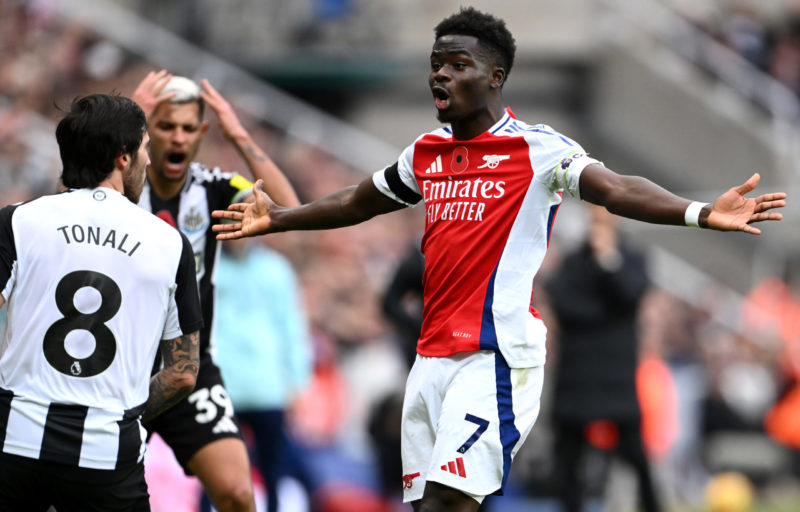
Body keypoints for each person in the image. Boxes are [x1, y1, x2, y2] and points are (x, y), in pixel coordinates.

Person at [212, 7, 787, 512]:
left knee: (448, 500)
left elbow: (615, 187)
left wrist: (698, 212)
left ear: (495, 76)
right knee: (431, 504)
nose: (441, 73)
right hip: (430, 361)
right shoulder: (425, 153)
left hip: (494, 358)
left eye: (457, 64)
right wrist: (281, 218)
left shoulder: (540, 150)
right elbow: (357, 201)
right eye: (436, 63)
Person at [0, 93, 202, 511]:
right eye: (145, 148)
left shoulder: (17, 220)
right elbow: (183, 374)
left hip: (13, 442)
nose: (148, 159)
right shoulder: (169, 244)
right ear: (123, 157)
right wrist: (120, 413)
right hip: (106, 454)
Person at [130, 70, 300, 512]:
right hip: (120, 366)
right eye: (166, 126)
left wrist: (240, 135)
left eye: (189, 128)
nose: (178, 138)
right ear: (148, 131)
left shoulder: (214, 189)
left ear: (202, 133)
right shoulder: (121, 185)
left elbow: (293, 211)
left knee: (238, 493)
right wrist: (126, 124)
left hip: (191, 365)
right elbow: (65, 197)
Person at [544, 204, 661, 512]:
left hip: (616, 378)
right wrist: (608, 313)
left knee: (635, 455)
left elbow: (631, 294)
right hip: (577, 376)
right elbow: (564, 305)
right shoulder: (572, 262)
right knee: (569, 458)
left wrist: (608, 262)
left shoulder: (632, 258)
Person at [213, 237, 313, 512]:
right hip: (224, 384)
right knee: (215, 469)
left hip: (267, 386)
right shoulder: (211, 267)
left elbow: (291, 324)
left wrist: (298, 380)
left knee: (272, 470)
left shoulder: (275, 269)